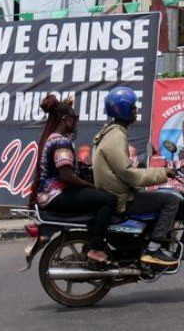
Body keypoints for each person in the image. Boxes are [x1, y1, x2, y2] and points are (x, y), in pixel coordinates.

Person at [93, 87, 181, 267]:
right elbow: (129, 175)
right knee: (171, 200)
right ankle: (153, 249)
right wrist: (163, 173)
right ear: (123, 110)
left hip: (119, 193)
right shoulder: (116, 136)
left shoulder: (112, 132)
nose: (136, 111)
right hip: (122, 199)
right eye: (133, 108)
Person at [28, 94, 116, 267]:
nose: (76, 124)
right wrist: (93, 186)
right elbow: (67, 177)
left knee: (95, 198)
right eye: (74, 119)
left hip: (50, 195)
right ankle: (96, 248)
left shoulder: (53, 138)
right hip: (56, 195)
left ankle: (91, 242)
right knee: (108, 200)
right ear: (66, 120)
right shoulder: (61, 143)